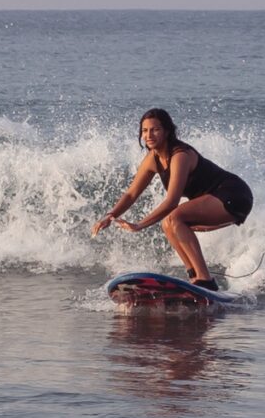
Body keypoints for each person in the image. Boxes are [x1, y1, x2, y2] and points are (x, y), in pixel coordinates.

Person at [91, 108, 253, 291]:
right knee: (167, 225)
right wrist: (110, 215)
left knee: (173, 217)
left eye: (155, 130)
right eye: (145, 130)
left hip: (234, 194)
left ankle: (205, 280)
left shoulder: (180, 156)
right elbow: (131, 194)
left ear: (167, 131)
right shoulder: (153, 159)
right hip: (216, 198)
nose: (149, 135)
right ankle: (194, 277)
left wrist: (139, 225)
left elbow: (172, 202)